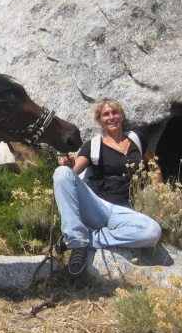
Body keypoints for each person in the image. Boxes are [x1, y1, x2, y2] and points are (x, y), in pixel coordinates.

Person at [53, 97, 162, 276]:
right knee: (61, 173)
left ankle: (88, 239)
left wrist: (159, 185)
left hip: (125, 211)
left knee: (152, 232)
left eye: (115, 112)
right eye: (106, 114)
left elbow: (154, 164)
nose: (111, 117)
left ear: (122, 115)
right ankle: (76, 239)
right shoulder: (93, 146)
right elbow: (72, 173)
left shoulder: (137, 139)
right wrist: (68, 163)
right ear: (100, 120)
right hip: (97, 206)